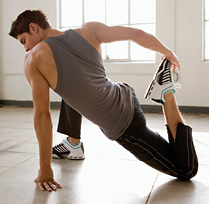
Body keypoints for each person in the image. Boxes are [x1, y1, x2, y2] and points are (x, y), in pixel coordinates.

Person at [9, 10, 198, 192]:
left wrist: (45, 169)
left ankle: (166, 93)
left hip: (125, 125)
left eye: (23, 41)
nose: (25, 47)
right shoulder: (88, 30)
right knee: (73, 88)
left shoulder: (33, 59)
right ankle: (73, 142)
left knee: (186, 169)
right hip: (126, 94)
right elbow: (137, 34)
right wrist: (167, 52)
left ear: (33, 27)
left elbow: (42, 115)